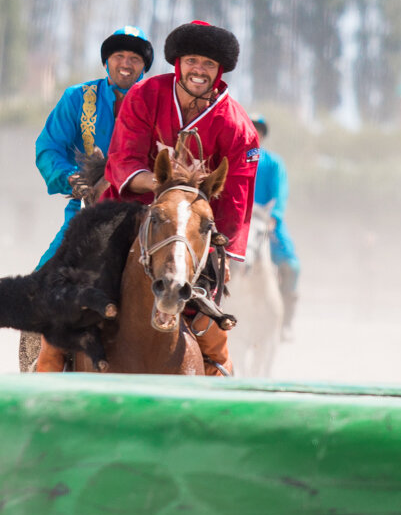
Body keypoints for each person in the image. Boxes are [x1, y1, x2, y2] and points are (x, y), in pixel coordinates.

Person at [103, 20, 261, 376]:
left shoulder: (239, 128)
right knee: (74, 285)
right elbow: (123, 158)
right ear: (178, 63)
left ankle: (217, 372)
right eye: (192, 61)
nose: (199, 71)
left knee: (212, 324)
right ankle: (48, 364)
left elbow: (236, 199)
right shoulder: (145, 95)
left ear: (219, 71)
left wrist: (221, 256)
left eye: (208, 65)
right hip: (129, 211)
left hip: (194, 230)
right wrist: (165, 191)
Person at [31, 26, 154, 372]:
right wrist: (71, 177)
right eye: (119, 56)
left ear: (143, 66)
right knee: (47, 276)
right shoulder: (77, 98)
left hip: (144, 213)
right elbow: (49, 147)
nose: (126, 64)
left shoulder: (156, 101)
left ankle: (209, 361)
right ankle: (44, 367)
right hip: (88, 212)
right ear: (107, 62)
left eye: (134, 58)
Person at [249, 114, 301, 341]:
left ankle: (285, 322)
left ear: (263, 134)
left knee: (291, 266)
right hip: (239, 219)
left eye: (258, 129)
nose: (254, 132)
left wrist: (274, 218)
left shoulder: (273, 162)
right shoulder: (233, 157)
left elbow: (280, 194)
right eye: (250, 128)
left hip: (266, 220)